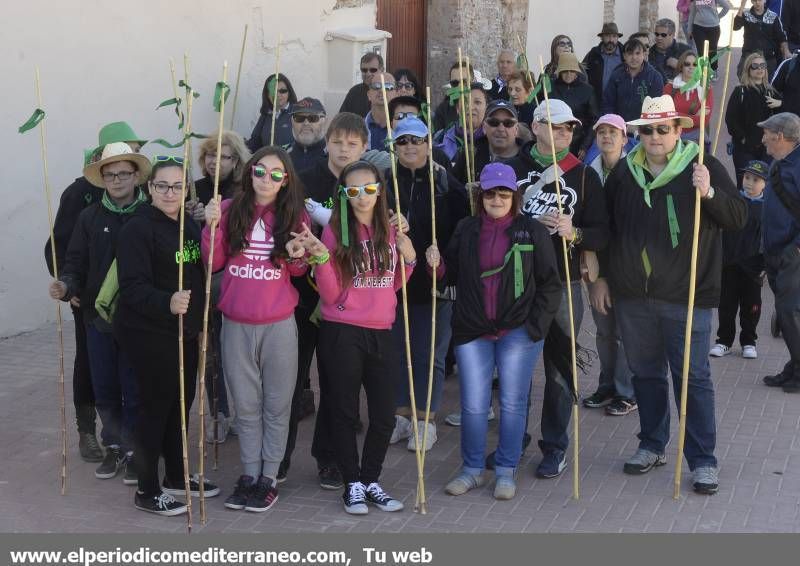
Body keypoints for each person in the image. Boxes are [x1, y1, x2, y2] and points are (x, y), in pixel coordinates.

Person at [603, 95, 746, 494]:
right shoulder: (625, 172)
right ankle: (652, 444)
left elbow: (739, 218)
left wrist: (710, 194)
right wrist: (599, 276)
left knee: (693, 378)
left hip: (687, 296)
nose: (654, 137)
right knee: (646, 375)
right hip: (634, 296)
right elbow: (606, 226)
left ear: (679, 130)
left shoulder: (701, 166)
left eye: (662, 129)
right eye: (646, 130)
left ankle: (703, 460)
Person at [430, 163, 561, 500]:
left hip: (518, 330)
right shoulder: (466, 228)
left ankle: (505, 470)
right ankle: (472, 470)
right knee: (473, 405)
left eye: (504, 192)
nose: (497, 198)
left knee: (512, 403)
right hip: (473, 329)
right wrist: (437, 265)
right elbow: (450, 276)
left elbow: (550, 285)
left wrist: (535, 328)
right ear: (481, 197)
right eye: (490, 192)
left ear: (514, 196)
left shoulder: (533, 231)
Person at [296, 160, 415, 514]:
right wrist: (320, 258)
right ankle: (352, 484)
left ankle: (371, 479)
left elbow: (393, 284)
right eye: (353, 191)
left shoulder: (392, 229)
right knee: (344, 411)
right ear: (343, 195)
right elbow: (331, 296)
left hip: (382, 331)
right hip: (343, 331)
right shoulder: (335, 230)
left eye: (369, 189)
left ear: (380, 189)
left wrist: (408, 262)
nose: (361, 197)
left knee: (383, 415)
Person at [202, 146, 309, 512]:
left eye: (276, 174)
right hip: (236, 325)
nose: (267, 179)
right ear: (249, 173)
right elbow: (213, 262)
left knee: (277, 406)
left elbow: (298, 272)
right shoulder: (231, 210)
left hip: (278, 325)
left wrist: (298, 255)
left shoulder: (295, 215)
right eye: (260, 171)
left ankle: (268, 477)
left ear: (286, 180)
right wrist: (211, 226)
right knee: (244, 407)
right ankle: (249, 474)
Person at [508, 99, 609, 478]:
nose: (563, 133)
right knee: (515, 367)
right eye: (554, 125)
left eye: (568, 127)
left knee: (559, 369)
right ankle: (513, 441)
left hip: (563, 282)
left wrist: (576, 231)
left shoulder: (584, 176)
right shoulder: (512, 169)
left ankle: (555, 446)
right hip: (516, 281)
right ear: (534, 127)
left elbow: (603, 231)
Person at [115, 155, 219, 516]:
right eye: (162, 185)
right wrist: (167, 301)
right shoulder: (137, 229)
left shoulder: (188, 225)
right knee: (155, 408)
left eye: (177, 185)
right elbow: (131, 287)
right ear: (149, 188)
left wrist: (199, 318)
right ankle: (146, 489)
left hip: (184, 332)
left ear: (186, 189)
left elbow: (197, 272)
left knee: (181, 403)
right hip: (149, 332)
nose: (170, 192)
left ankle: (177, 474)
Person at [44, 121, 146, 464]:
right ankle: (110, 442)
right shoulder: (86, 213)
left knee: (134, 385)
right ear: (101, 173)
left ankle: (136, 446)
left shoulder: (149, 214)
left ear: (135, 174)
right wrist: (66, 285)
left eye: (124, 171)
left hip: (139, 317)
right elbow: (70, 258)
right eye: (111, 174)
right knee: (101, 381)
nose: (117, 179)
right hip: (95, 315)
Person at [384, 117, 469, 452]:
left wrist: (444, 262)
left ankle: (426, 419)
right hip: (395, 281)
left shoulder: (446, 182)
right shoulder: (386, 181)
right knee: (398, 352)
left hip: (435, 281)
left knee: (429, 356)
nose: (409, 147)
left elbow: (462, 231)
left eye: (415, 141)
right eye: (402, 141)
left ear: (428, 142)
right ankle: (402, 416)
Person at [296, 112, 370, 490]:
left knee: (337, 383)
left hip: (343, 300)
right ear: (327, 142)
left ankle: (329, 458)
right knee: (293, 381)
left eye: (352, 143)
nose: (344, 149)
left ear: (364, 147)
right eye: (338, 141)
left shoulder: (367, 185)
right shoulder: (306, 180)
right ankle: (278, 459)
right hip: (299, 296)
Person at [194, 130, 252, 443]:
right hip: (202, 280)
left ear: (236, 160)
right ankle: (218, 411)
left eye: (225, 156)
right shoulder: (195, 189)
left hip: (236, 280)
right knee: (211, 349)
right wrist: (194, 219)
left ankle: (244, 412)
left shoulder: (244, 191)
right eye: (211, 156)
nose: (217, 162)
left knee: (239, 351)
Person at [583, 114, 637, 415]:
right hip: (598, 267)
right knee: (604, 330)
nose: (607, 137)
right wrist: (596, 274)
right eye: (601, 132)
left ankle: (627, 391)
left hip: (628, 267)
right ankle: (607, 385)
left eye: (613, 132)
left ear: (624, 138)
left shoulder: (635, 172)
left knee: (627, 331)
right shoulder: (588, 173)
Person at [758, 112, 800, 393]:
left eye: (766, 133)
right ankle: (795, 365)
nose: (762, 138)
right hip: (775, 251)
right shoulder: (780, 163)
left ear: (780, 137)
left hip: (792, 253)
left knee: (790, 312)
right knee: (786, 314)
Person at [710, 160, 768, 359]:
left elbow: (767, 240)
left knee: (751, 306)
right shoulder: (734, 200)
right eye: (747, 178)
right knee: (726, 305)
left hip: (753, 267)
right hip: (729, 264)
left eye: (756, 180)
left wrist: (765, 265)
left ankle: (749, 341)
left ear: (765, 184)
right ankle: (724, 341)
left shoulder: (767, 209)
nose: (750, 183)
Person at [725, 52, 782, 186]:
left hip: (766, 148)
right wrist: (743, 138)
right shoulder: (740, 91)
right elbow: (731, 119)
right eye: (755, 66)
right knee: (745, 186)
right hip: (744, 149)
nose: (760, 69)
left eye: (762, 65)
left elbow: (782, 116)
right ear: (748, 69)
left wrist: (780, 103)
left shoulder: (770, 91)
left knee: (764, 185)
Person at [453, 100, 525, 185]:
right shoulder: (471, 154)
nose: (501, 129)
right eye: (494, 123)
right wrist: (465, 192)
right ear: (484, 127)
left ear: (516, 129)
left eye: (508, 123)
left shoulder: (528, 158)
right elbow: (451, 190)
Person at [602, 38, 665, 123]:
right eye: (630, 53)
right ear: (624, 56)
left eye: (638, 53)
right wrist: (613, 123)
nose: (634, 57)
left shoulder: (655, 77)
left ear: (644, 54)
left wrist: (642, 127)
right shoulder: (616, 75)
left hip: (644, 127)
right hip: (619, 126)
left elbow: (656, 108)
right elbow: (608, 104)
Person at [550, 52, 599, 159]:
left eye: (571, 71)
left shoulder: (587, 90)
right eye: (565, 71)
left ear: (577, 72)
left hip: (578, 141)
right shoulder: (550, 88)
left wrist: (585, 146)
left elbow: (594, 120)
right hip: (554, 139)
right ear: (560, 72)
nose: (568, 74)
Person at [663, 50, 714, 146]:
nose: (691, 67)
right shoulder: (669, 88)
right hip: (672, 138)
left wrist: (676, 115)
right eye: (687, 64)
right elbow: (665, 116)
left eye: (695, 64)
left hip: (696, 140)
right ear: (681, 66)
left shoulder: (706, 89)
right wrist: (695, 117)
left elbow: (704, 120)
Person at [434, 82, 489, 164]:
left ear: (486, 107)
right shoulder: (440, 138)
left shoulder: (493, 139)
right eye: (465, 101)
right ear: (457, 108)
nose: (470, 107)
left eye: (477, 102)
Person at [735, 0, 791, 77]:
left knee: (767, 86)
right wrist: (742, 6)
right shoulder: (745, 14)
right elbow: (736, 26)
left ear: (765, 0)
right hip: (749, 56)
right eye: (754, 0)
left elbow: (782, 38)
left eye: (760, 0)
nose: (757, 3)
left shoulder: (773, 16)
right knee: (743, 80)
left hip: (768, 59)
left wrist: (786, 51)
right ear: (751, 1)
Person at [248, 73, 298, 151]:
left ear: (289, 92)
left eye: (282, 91)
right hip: (268, 161)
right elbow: (254, 142)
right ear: (267, 94)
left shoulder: (297, 113)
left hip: (290, 161)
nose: (277, 95)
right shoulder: (265, 115)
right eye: (273, 91)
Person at [583, 22, 625, 105]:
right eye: (607, 36)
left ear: (617, 38)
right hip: (597, 102)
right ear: (602, 37)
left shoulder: (624, 54)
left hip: (619, 102)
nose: (611, 40)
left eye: (614, 36)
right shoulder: (593, 53)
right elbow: (582, 71)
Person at [688, 0, 733, 77]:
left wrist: (717, 17)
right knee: (701, 52)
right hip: (698, 27)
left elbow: (727, 7)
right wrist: (689, 29)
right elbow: (692, 13)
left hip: (713, 28)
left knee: (712, 51)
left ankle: (713, 70)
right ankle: (703, 72)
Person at [286, 97, 328, 173]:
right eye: (299, 118)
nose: (306, 123)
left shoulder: (333, 155)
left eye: (313, 118)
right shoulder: (283, 155)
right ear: (292, 122)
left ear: (324, 122)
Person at [432, 61, 475, 134]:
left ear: (473, 82)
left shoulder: (483, 107)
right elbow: (438, 140)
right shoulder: (443, 110)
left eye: (464, 82)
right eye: (455, 83)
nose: (459, 87)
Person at [340, 53, 385, 118]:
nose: (368, 74)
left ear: (382, 70)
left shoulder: (389, 91)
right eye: (364, 70)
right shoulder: (354, 92)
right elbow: (342, 118)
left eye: (373, 70)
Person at [365, 72, 397, 151]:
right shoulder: (357, 128)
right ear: (369, 95)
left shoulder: (405, 129)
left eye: (388, 87)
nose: (382, 90)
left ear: (396, 94)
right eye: (376, 86)